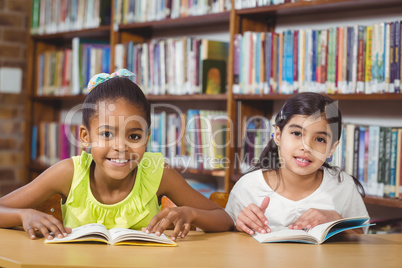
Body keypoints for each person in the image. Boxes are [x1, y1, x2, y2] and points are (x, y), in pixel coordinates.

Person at [0, 69, 233, 241]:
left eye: (134, 137)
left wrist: (191, 213)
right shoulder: (69, 173)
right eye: (107, 134)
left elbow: (223, 218)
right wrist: (24, 215)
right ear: (84, 136)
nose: (121, 147)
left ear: (147, 138)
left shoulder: (157, 172)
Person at [225, 92, 369, 235]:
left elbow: (361, 238)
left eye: (320, 139)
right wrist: (238, 226)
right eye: (297, 133)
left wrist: (337, 220)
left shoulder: (343, 186)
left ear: (332, 148)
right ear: (278, 135)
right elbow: (227, 234)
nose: (306, 147)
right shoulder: (248, 186)